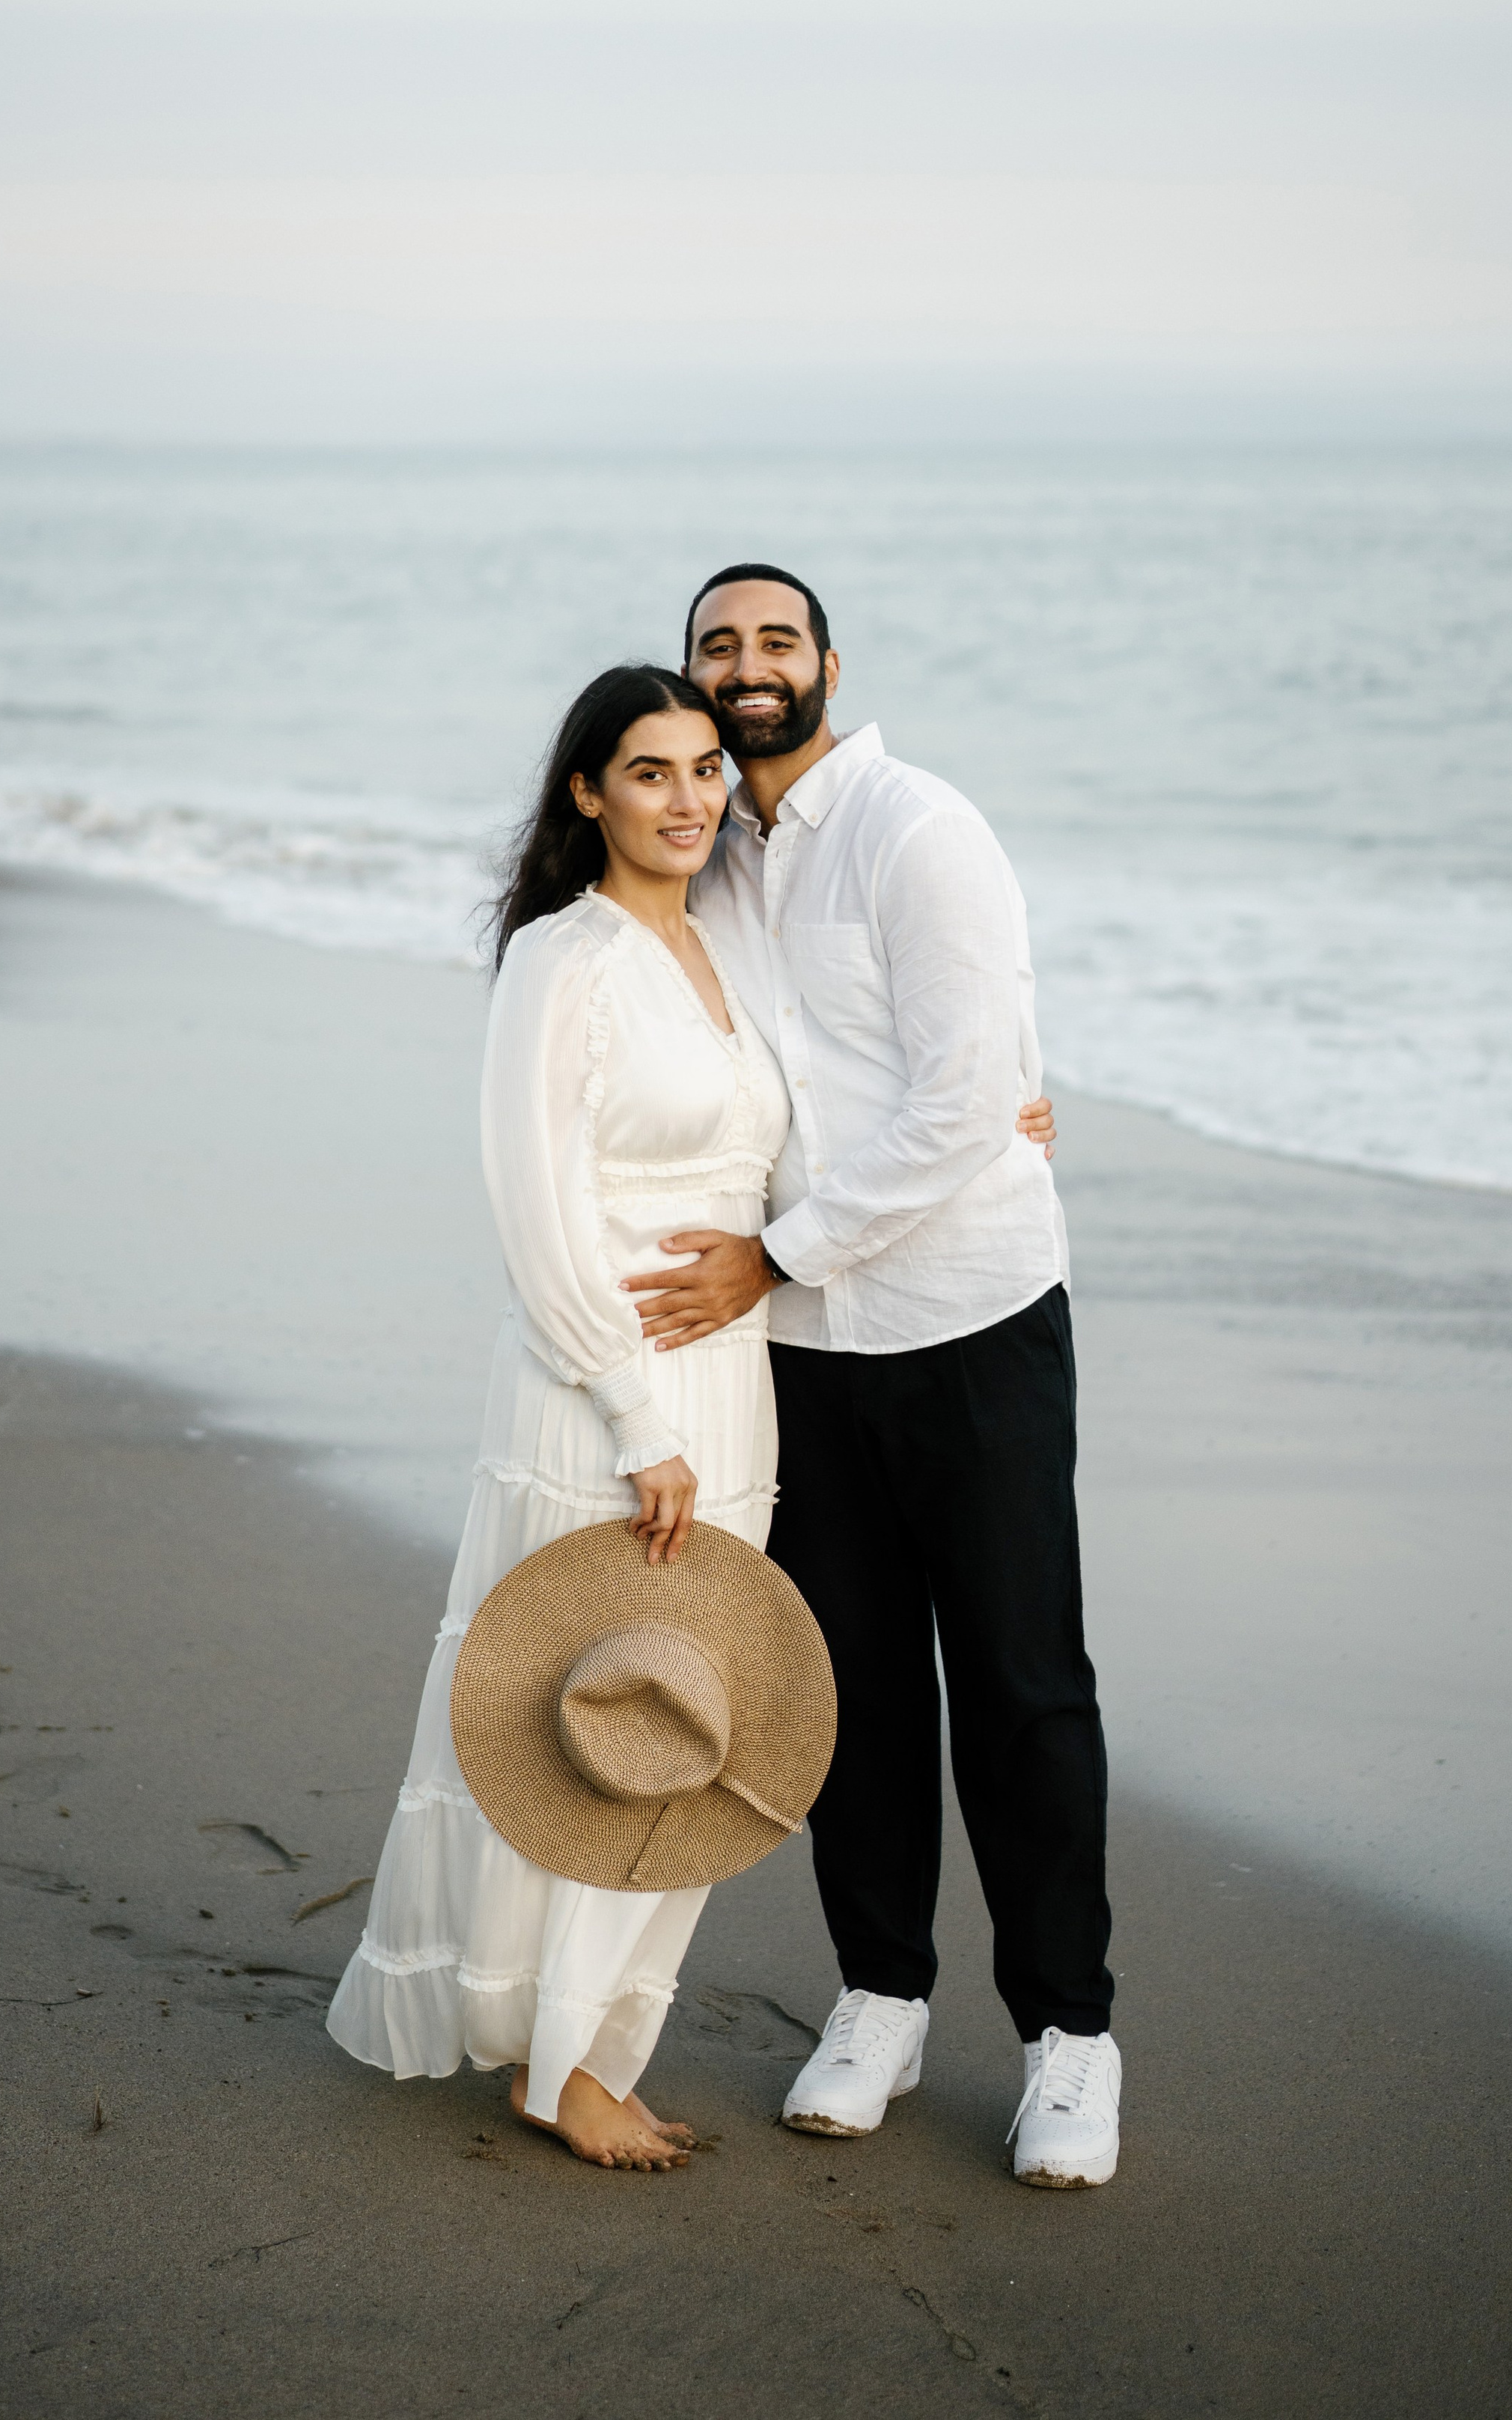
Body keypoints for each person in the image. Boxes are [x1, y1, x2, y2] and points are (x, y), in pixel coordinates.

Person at [327, 656, 1057, 2174]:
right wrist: (627, 1411)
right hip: (608, 1383)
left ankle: (591, 2038)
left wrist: (1019, 1096)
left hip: (740, 1376)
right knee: (583, 1703)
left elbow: (904, 1048)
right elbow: (533, 1211)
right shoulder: (562, 957)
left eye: (701, 770)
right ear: (584, 792)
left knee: (684, 1711)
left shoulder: (723, 940)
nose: (684, 797)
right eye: (646, 772)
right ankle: (555, 2061)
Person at [619, 564, 1121, 2189]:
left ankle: (1067, 2038)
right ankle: (879, 1997)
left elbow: (968, 1090)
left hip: (967, 1321)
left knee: (1021, 1687)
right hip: (802, 1359)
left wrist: (778, 1250)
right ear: (690, 677)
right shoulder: (711, 855)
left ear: (828, 662)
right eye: (719, 646)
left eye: (774, 640)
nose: (748, 667)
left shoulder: (919, 828)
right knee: (842, 1696)